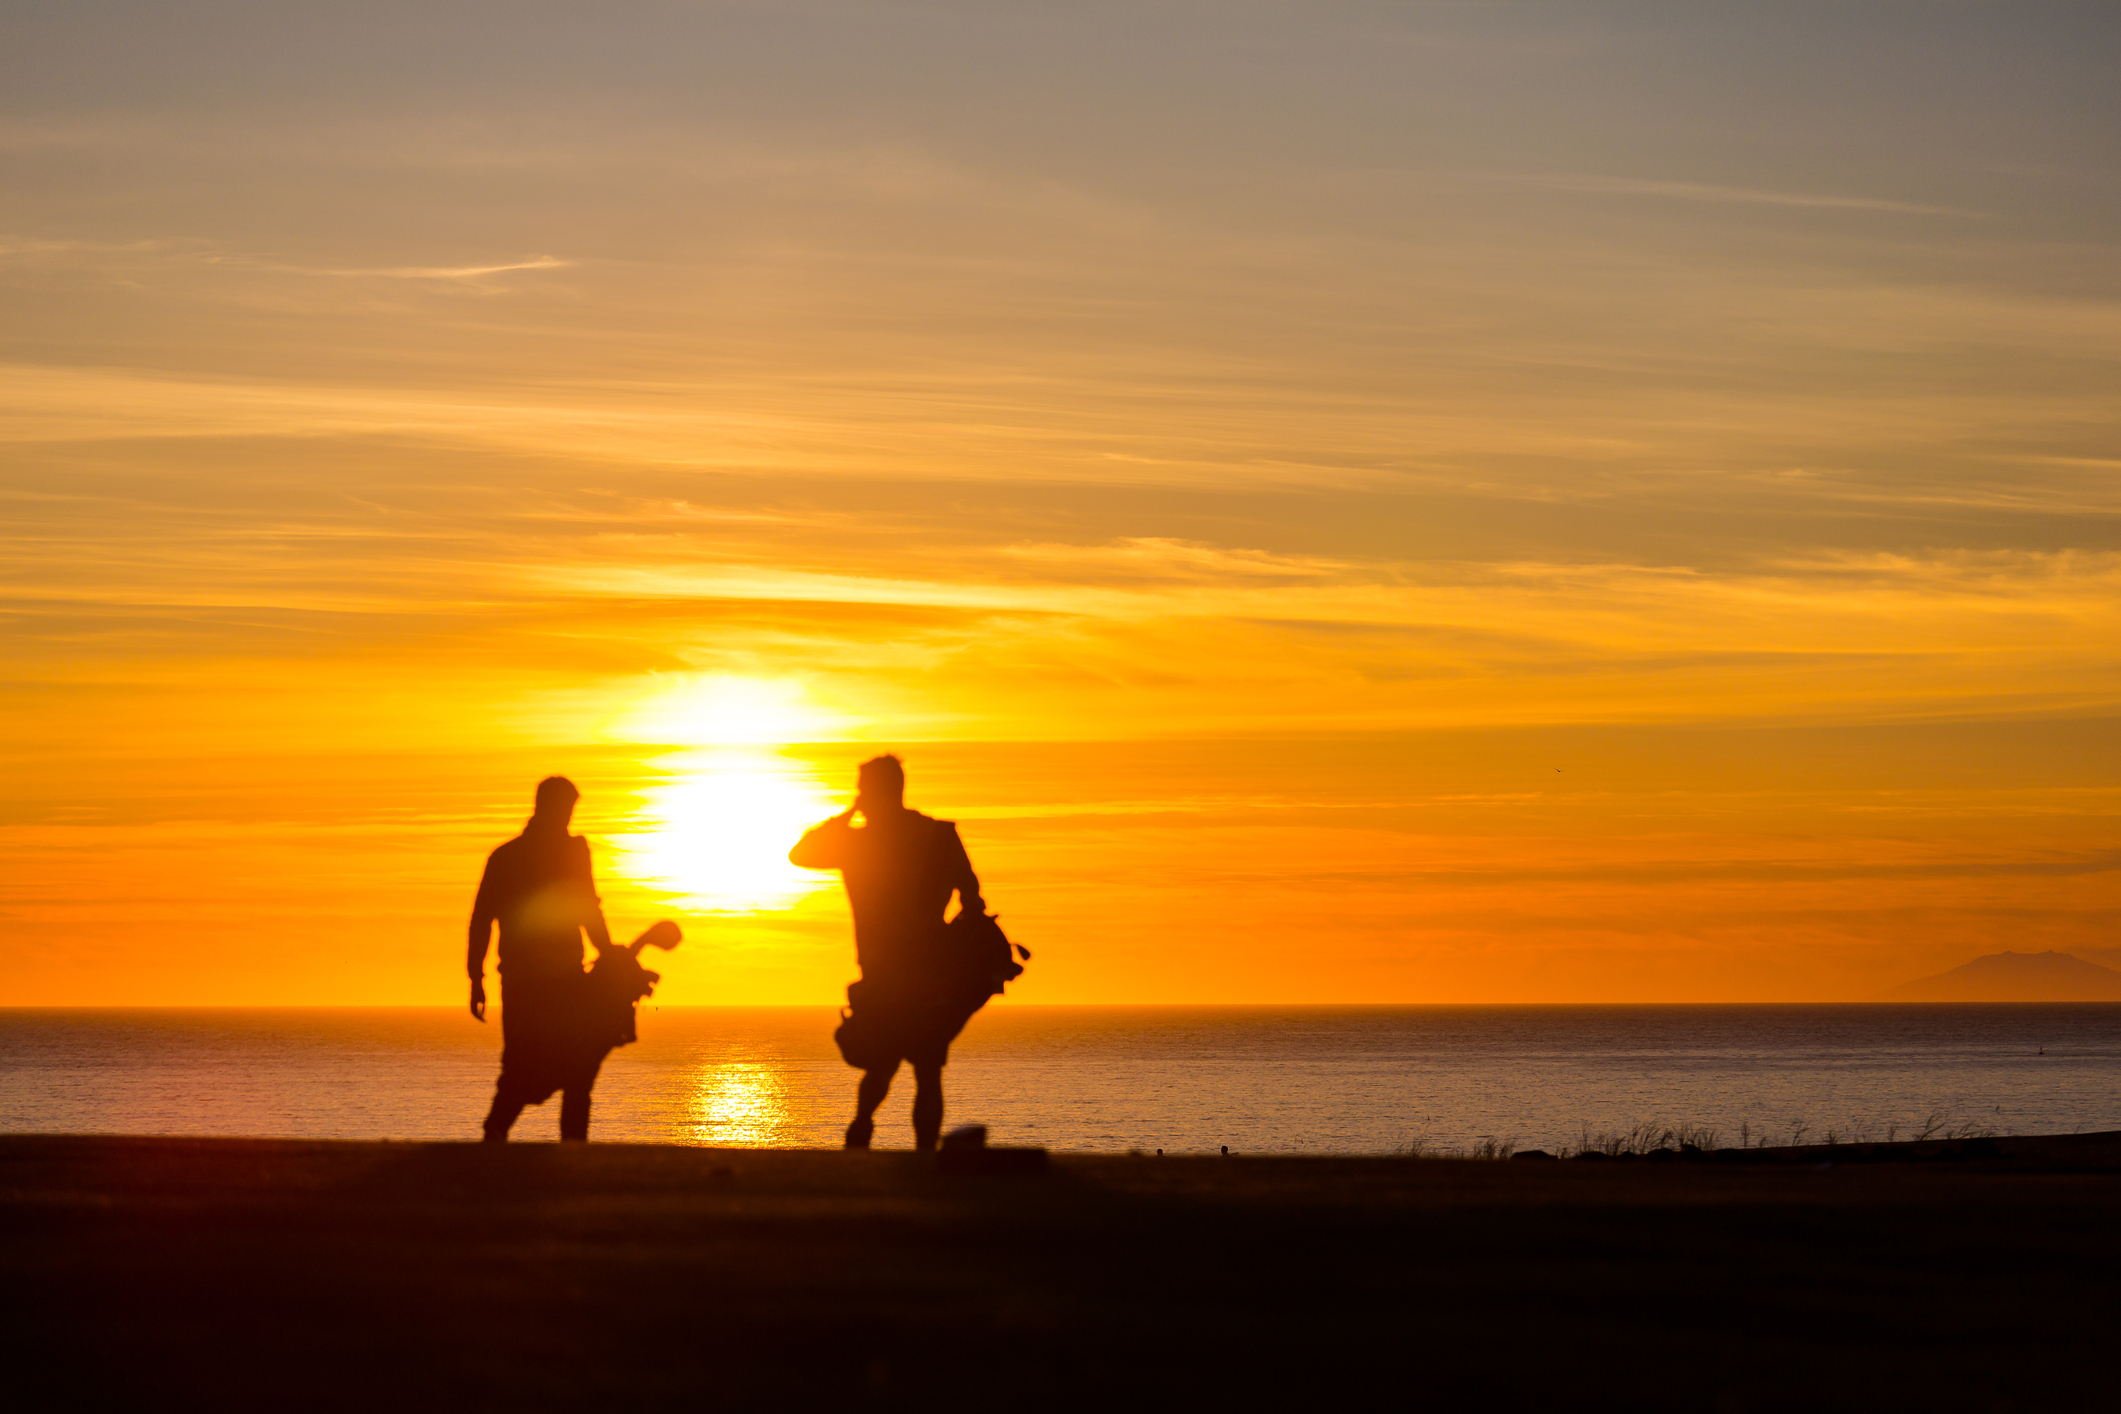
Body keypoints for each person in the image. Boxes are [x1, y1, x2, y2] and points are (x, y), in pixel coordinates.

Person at [790, 754, 993, 1151]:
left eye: (864, 789)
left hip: (895, 973)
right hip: (925, 972)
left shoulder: (858, 842)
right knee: (923, 1067)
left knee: (889, 1065)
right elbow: (972, 896)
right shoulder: (935, 835)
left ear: (875, 791)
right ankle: (909, 1150)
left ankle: (863, 1137)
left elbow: (802, 852)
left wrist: (847, 814)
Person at [468, 775, 621, 1142]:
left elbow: (586, 906)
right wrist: (476, 977)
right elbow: (483, 919)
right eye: (565, 810)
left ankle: (565, 1150)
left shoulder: (519, 855)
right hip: (528, 982)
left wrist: (608, 952)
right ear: (548, 808)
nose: (568, 819)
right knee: (524, 1065)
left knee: (576, 1067)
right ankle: (495, 1136)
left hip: (556, 977)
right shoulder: (511, 857)